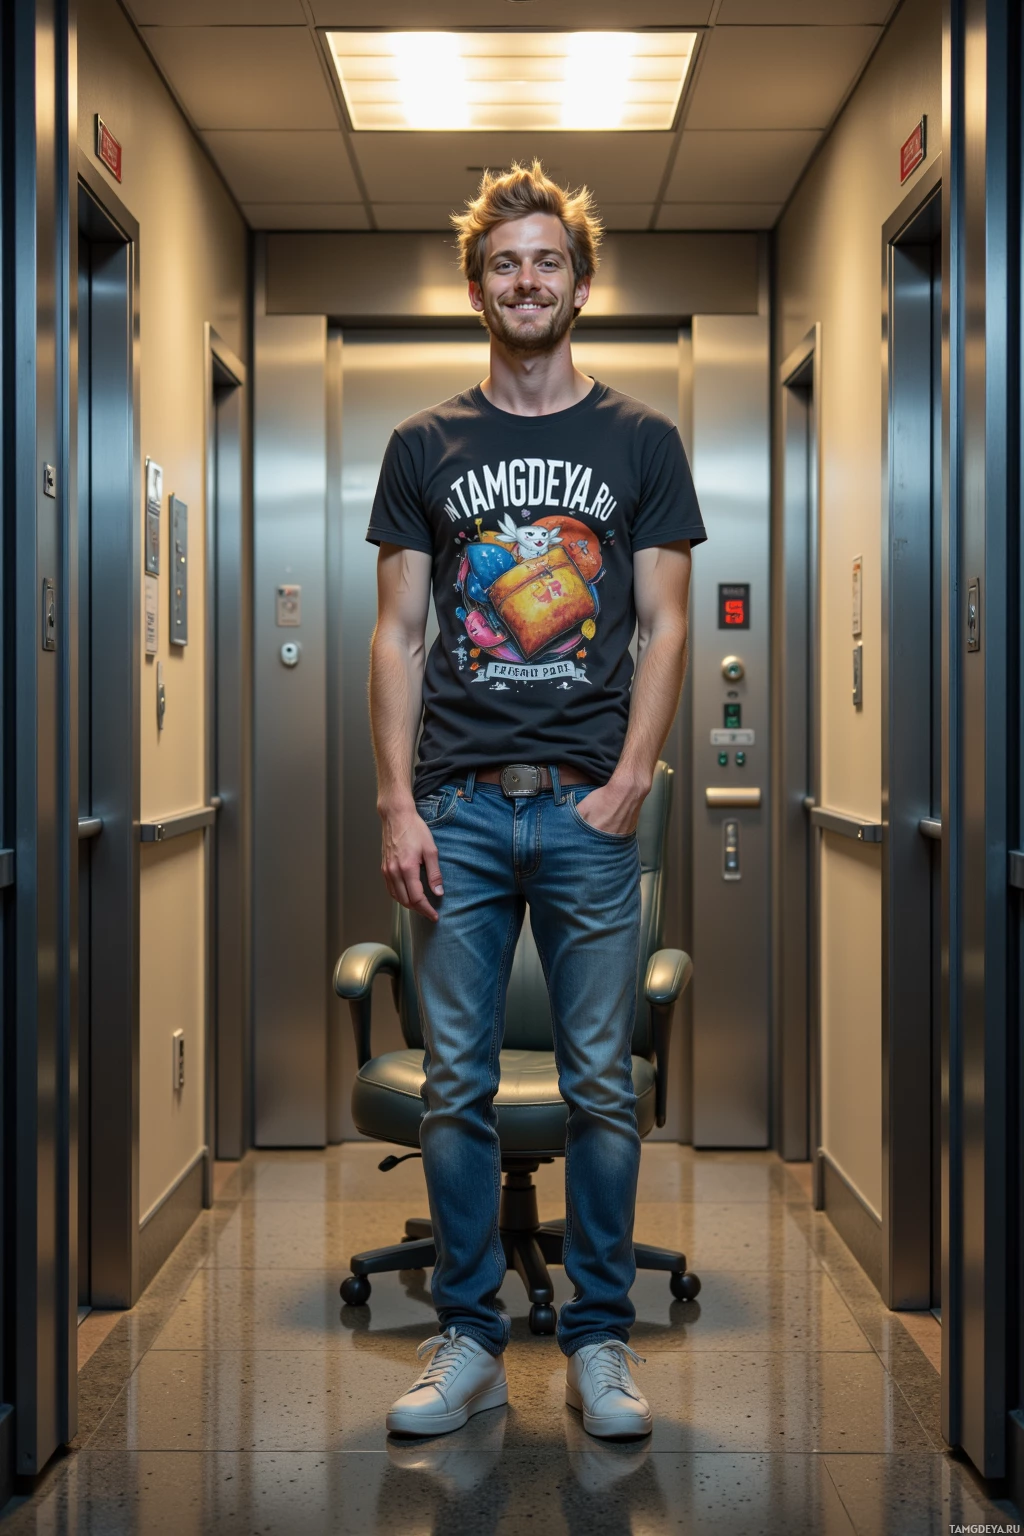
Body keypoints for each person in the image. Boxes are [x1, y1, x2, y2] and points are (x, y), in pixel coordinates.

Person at [366, 160, 706, 1442]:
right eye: (504, 262)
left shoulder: (638, 442)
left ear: (577, 282)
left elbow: (665, 626)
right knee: (455, 1083)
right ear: (475, 285)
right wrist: (397, 803)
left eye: (546, 261)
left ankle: (600, 1342)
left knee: (602, 1087)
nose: (525, 279)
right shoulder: (425, 445)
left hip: (584, 809)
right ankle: (465, 1337)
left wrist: (630, 779)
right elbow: (398, 635)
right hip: (454, 807)